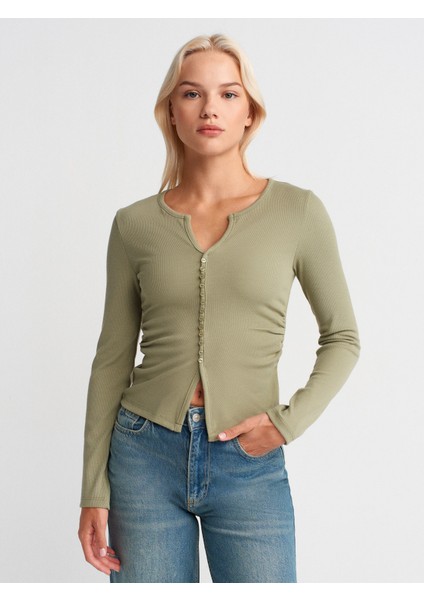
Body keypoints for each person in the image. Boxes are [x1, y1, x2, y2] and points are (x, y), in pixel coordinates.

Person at [78, 33, 360, 583]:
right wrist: (92, 489)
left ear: (250, 112)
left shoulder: (297, 212)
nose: (210, 108)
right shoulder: (134, 225)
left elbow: (343, 337)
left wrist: (286, 424)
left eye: (229, 94)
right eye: (192, 94)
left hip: (249, 459)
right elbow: (111, 358)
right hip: (143, 456)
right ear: (171, 111)